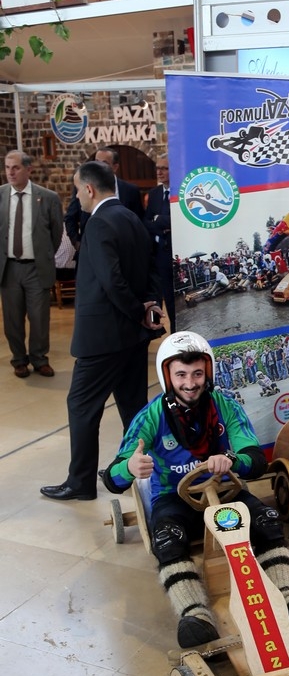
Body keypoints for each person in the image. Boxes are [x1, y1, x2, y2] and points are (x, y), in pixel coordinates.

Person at [100, 331, 289, 648]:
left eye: (197, 374)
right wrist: (129, 467)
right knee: (166, 539)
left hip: (225, 492)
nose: (190, 383)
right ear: (166, 375)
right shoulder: (150, 416)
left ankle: (288, 597)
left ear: (208, 372)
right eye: (181, 374)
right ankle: (195, 615)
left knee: (268, 520)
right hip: (173, 498)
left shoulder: (226, 406)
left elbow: (254, 460)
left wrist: (233, 460)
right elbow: (112, 477)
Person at [40, 160, 164, 502]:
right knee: (133, 410)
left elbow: (111, 281)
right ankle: (138, 474)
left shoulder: (97, 223)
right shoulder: (132, 218)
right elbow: (151, 269)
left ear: (90, 189)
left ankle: (80, 482)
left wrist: (137, 311)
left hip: (104, 337)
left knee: (81, 405)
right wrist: (146, 307)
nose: (77, 197)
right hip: (132, 338)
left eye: (77, 190)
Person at [0, 150, 63, 378]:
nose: (10, 172)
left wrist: (43, 256)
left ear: (29, 169)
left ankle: (39, 359)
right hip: (9, 268)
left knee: (39, 318)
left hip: (36, 268)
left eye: (15, 167)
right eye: (7, 167)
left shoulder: (47, 197)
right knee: (12, 319)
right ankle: (19, 359)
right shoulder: (1, 195)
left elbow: (56, 235)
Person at [64, 147, 144, 256]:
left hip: (125, 252)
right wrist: (78, 243)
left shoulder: (131, 190)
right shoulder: (82, 189)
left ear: (115, 167)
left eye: (104, 163)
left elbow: (138, 220)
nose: (98, 167)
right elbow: (70, 218)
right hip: (89, 250)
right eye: (96, 162)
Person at [144, 154, 175, 332]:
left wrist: (160, 220)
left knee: (174, 301)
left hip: (175, 252)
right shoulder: (154, 194)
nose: (159, 172)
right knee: (161, 297)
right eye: (157, 168)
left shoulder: (181, 191)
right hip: (158, 254)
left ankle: (178, 333)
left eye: (164, 168)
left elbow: (179, 220)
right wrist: (163, 224)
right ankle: (160, 331)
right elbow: (146, 223)